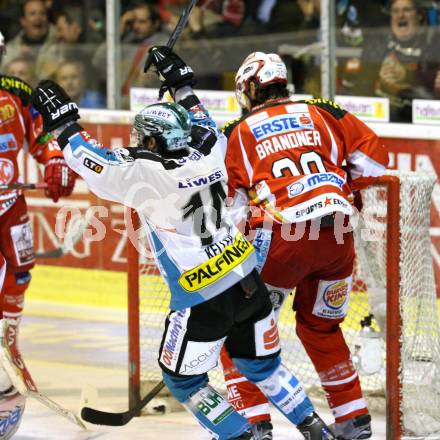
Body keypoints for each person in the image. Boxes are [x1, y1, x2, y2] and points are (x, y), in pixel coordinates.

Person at [31, 47, 337, 440]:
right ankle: (317, 431)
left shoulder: (145, 176)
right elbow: (200, 118)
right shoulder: (212, 148)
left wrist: (64, 123)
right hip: (247, 282)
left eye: (143, 138)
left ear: (154, 143)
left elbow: (91, 158)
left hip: (202, 300)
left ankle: (241, 435)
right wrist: (181, 84)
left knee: (184, 382)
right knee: (265, 367)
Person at [218, 51, 389, 440]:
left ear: (248, 89)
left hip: (283, 240)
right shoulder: (325, 110)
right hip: (338, 237)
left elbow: (232, 208)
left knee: (243, 330)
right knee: (321, 328)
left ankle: (254, 427)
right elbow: (375, 165)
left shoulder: (236, 131)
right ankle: (353, 421)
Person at [0, 31, 76, 439]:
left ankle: (10, 351)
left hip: (11, 208)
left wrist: (55, 162)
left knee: (21, 275)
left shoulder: (13, 95)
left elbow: (42, 139)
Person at [346, 0, 440, 122]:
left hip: (417, 123)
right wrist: (377, 79)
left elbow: (430, 96)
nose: (401, 15)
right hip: (380, 120)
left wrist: (406, 79)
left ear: (419, 16)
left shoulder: (431, 48)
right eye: (395, 11)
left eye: (407, 10)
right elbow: (361, 88)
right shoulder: (377, 45)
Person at [3, 0, 56, 71]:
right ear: (23, 21)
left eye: (42, 13)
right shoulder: (12, 49)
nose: (38, 18)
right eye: (33, 14)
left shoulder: (60, 41)